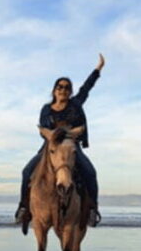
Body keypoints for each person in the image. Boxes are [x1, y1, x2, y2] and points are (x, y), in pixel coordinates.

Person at [15, 54, 106, 234]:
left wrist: (98, 69)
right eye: (60, 87)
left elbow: (87, 88)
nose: (63, 90)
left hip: (71, 147)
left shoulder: (75, 104)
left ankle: (92, 210)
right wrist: (50, 134)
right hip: (51, 148)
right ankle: (24, 208)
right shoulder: (46, 109)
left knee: (90, 172)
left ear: (70, 91)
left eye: (66, 87)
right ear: (54, 90)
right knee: (26, 172)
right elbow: (43, 129)